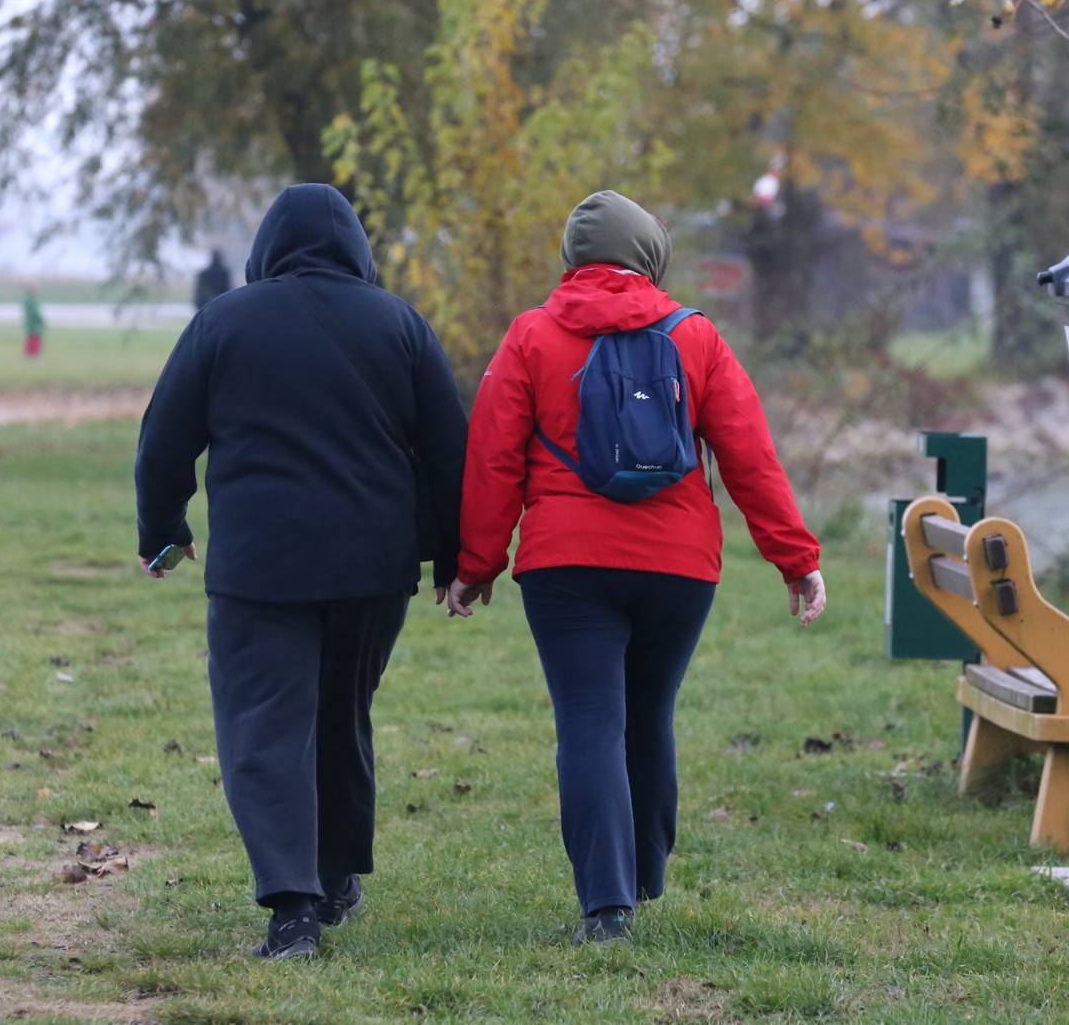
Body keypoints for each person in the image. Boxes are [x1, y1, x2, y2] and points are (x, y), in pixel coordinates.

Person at [446, 189, 826, 946]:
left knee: (589, 720)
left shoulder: (531, 335)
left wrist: (477, 564)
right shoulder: (696, 336)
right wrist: (794, 557)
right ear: (649, 253)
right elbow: (749, 455)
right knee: (649, 711)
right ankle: (646, 874)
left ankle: (607, 906)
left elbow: (492, 459)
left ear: (573, 256)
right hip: (678, 565)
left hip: (565, 564)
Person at [135, 183, 468, 959]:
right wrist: (454, 556)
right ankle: (337, 874)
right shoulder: (401, 324)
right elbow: (451, 450)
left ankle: (293, 909)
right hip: (373, 568)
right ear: (358, 247)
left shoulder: (222, 321)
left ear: (266, 248)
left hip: (261, 566)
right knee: (341, 715)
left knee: (265, 726)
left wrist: (164, 532)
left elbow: (163, 439)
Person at [21, 286, 45, 357]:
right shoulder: (32, 301)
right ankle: (33, 352)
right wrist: (41, 320)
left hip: (29, 322)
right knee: (35, 338)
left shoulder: (27, 301)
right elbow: (36, 313)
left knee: (31, 337)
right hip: (34, 322)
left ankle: (29, 352)